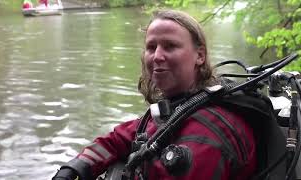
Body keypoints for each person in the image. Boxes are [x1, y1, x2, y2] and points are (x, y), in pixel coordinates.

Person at [52, 9, 257, 180]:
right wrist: (75, 168)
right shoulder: (178, 108)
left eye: (170, 46)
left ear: (200, 56)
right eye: (151, 47)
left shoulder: (207, 134)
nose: (157, 56)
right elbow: (120, 138)